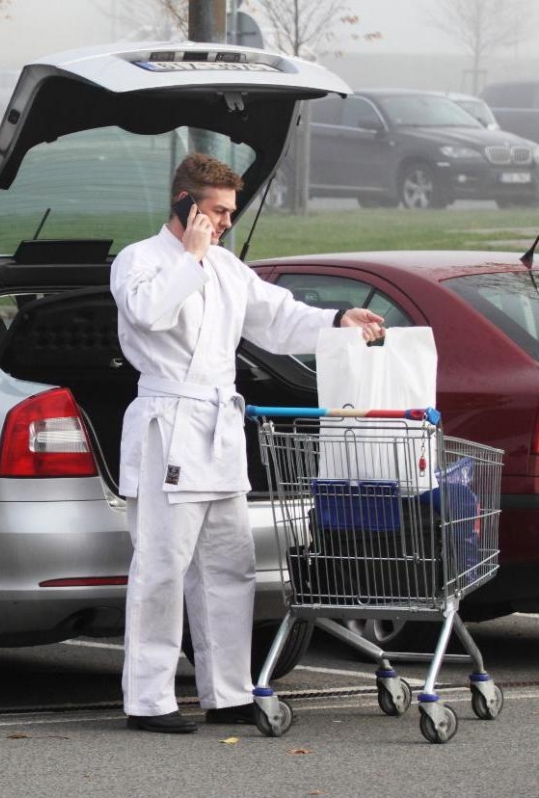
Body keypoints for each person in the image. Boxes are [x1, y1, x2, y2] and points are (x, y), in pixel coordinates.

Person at [109, 153, 385, 733]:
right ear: (184, 203)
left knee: (229, 567)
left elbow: (278, 318)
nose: (225, 221)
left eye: (231, 211)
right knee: (162, 565)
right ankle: (148, 699)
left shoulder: (229, 269)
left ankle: (227, 690)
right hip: (169, 427)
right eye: (215, 210)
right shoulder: (140, 260)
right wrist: (190, 256)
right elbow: (148, 314)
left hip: (219, 431)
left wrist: (338, 321)